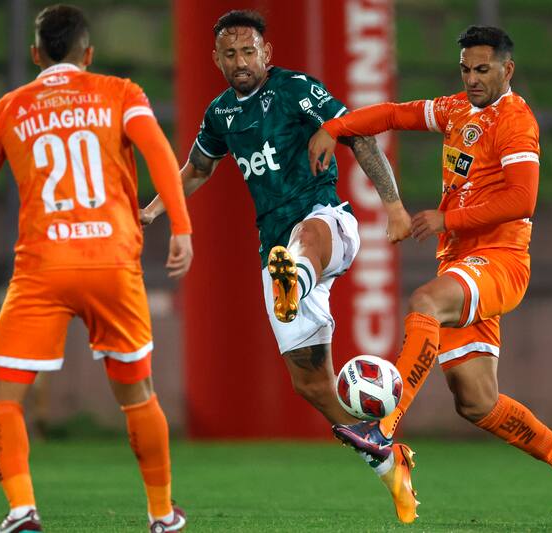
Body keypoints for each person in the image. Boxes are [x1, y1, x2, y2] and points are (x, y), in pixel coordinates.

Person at [309, 25, 552, 526]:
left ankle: (384, 428)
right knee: (475, 401)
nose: (472, 79)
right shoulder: (456, 110)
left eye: (482, 69)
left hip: (501, 261)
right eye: (465, 69)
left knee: (425, 302)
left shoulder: (515, 121)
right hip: (461, 263)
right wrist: (335, 127)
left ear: (507, 69)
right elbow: (394, 114)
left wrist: (449, 219)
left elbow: (522, 199)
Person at [140, 9, 418, 522]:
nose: (240, 61)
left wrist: (394, 207)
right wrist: (156, 209)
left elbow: (357, 134)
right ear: (216, 58)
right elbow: (198, 168)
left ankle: (295, 276)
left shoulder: (295, 90)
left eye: (249, 51)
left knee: (302, 239)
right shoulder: (221, 114)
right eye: (230, 54)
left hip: (327, 223)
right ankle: (385, 458)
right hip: (275, 248)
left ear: (266, 53)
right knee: (309, 382)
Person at [0, 5, 192, 532]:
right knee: (137, 394)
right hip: (112, 262)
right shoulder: (121, 93)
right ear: (88, 53)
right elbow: (160, 154)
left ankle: (22, 510)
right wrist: (181, 228)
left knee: (4, 396)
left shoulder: (8, 108)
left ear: (36, 54)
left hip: (42, 268)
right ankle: (162, 515)